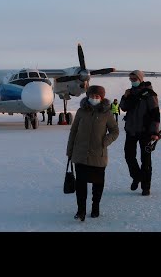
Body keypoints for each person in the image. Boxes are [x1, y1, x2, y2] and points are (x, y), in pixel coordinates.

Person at [66, 85, 119, 221]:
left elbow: (115, 131)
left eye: (97, 96)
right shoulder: (81, 111)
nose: (94, 98)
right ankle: (81, 210)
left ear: (101, 98)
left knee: (98, 184)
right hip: (80, 153)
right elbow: (73, 131)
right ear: (88, 96)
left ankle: (95, 206)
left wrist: (105, 141)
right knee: (81, 184)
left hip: (98, 154)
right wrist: (70, 150)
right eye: (92, 96)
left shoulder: (107, 113)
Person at [119, 70, 160, 196]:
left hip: (145, 131)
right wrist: (125, 97)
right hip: (131, 130)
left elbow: (155, 113)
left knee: (146, 160)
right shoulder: (130, 92)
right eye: (131, 79)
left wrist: (154, 132)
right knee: (129, 156)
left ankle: (145, 187)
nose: (132, 81)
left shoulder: (150, 94)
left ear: (140, 78)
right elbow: (123, 107)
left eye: (134, 78)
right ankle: (137, 176)